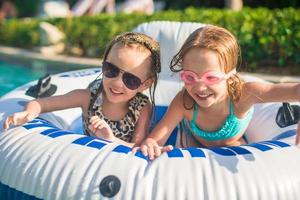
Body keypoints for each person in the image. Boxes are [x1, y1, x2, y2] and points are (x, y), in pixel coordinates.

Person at [137, 25, 300, 160]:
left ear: (230, 75)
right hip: (190, 142)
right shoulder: (184, 102)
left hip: (234, 146)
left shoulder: (243, 95)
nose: (200, 88)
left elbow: (294, 91)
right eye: (190, 77)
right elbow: (156, 138)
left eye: (211, 78)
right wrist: (150, 144)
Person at [3, 32, 161, 147]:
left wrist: (111, 139)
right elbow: (42, 103)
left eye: (130, 80)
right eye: (111, 70)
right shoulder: (88, 97)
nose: (117, 83)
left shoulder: (142, 108)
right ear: (103, 64)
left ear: (145, 84)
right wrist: (28, 113)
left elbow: (138, 147)